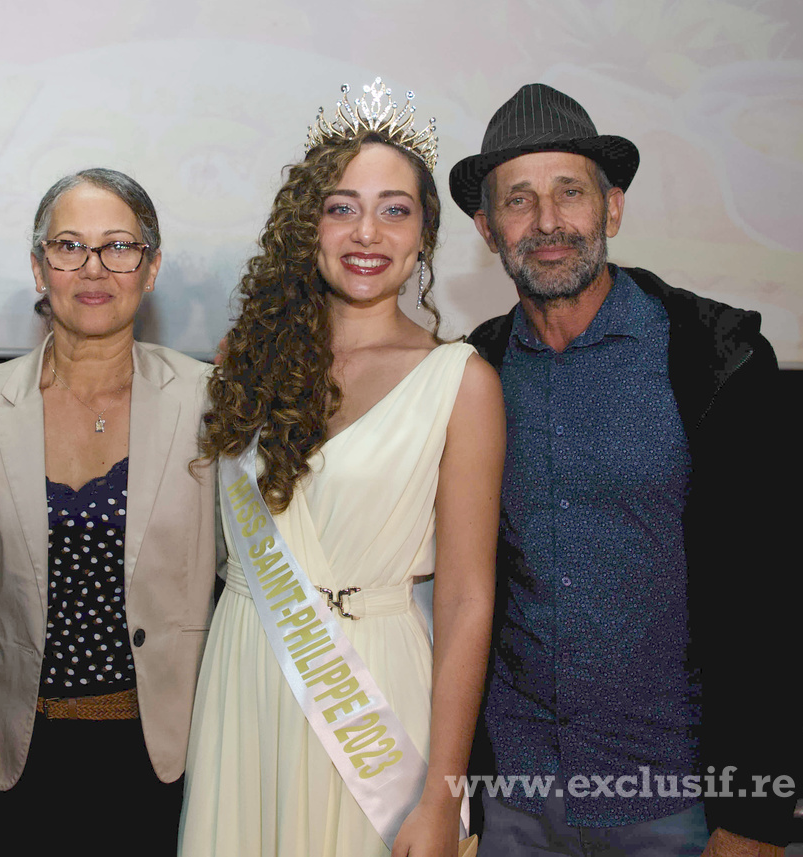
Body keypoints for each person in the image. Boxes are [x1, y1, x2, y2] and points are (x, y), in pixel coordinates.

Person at [452, 83, 803, 856]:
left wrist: (754, 818)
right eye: (519, 200)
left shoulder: (717, 361)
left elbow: (774, 598)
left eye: (570, 193)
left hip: (676, 801)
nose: (548, 222)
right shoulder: (468, 374)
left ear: (612, 209)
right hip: (515, 796)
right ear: (486, 229)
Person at [179, 79, 504, 857]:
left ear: (425, 232)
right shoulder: (243, 361)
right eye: (341, 205)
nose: (368, 231)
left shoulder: (462, 382)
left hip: (377, 696)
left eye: (396, 208)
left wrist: (442, 792)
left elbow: (465, 601)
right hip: (250, 673)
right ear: (308, 225)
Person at [0, 168, 218, 857]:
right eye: (68, 246)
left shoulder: (210, 402)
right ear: (37, 266)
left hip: (168, 758)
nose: (93, 267)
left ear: (151, 267)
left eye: (118, 246)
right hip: (18, 763)